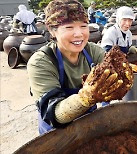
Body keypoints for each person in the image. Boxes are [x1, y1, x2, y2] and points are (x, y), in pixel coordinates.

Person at [27, 0, 122, 135]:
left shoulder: (92, 51)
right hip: (56, 133)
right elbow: (54, 113)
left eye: (84, 26)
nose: (79, 34)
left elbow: (116, 76)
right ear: (52, 31)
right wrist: (86, 97)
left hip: (88, 123)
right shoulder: (41, 62)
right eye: (69, 27)